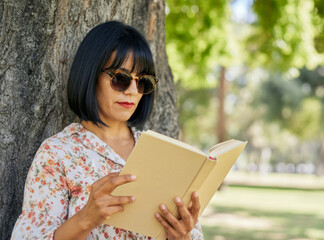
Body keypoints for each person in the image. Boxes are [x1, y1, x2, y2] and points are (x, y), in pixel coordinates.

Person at [11, 21, 204, 240]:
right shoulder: (58, 153)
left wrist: (183, 237)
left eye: (143, 83)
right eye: (121, 79)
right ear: (90, 76)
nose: (132, 91)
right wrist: (86, 218)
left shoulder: (163, 154)